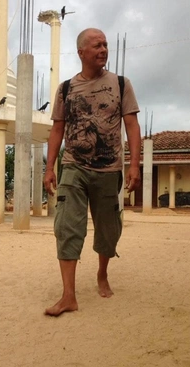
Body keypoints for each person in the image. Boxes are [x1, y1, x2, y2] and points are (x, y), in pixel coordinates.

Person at [43, 28, 141, 317]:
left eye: (106, 45)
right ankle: (68, 296)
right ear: (81, 52)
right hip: (73, 166)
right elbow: (57, 129)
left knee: (108, 230)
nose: (103, 49)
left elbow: (132, 126)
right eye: (97, 45)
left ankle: (102, 273)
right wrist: (50, 168)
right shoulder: (65, 89)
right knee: (67, 227)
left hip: (109, 169)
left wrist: (134, 165)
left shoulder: (121, 84)